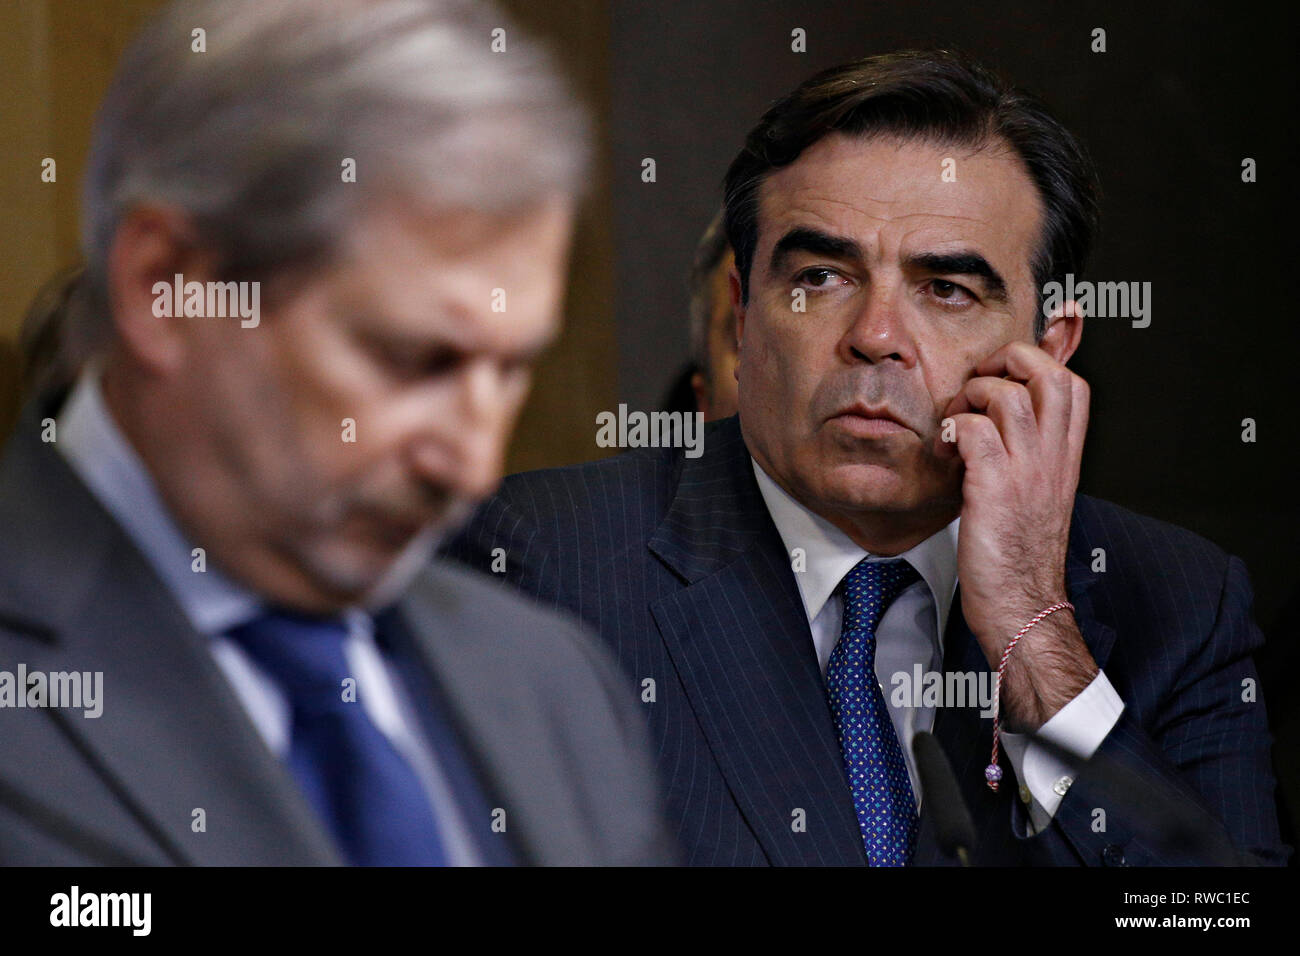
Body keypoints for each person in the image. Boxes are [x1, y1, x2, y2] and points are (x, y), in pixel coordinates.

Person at [445, 50, 1290, 866]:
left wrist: (1038, 640)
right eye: (821, 277)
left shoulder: (1180, 605)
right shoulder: (540, 560)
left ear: (1050, 349)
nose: (876, 338)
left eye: (947, 291)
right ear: (743, 315)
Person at [0, 0, 675, 867]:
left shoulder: (557, 683)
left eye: (511, 372)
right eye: (411, 359)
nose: (473, 468)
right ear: (165, 285)